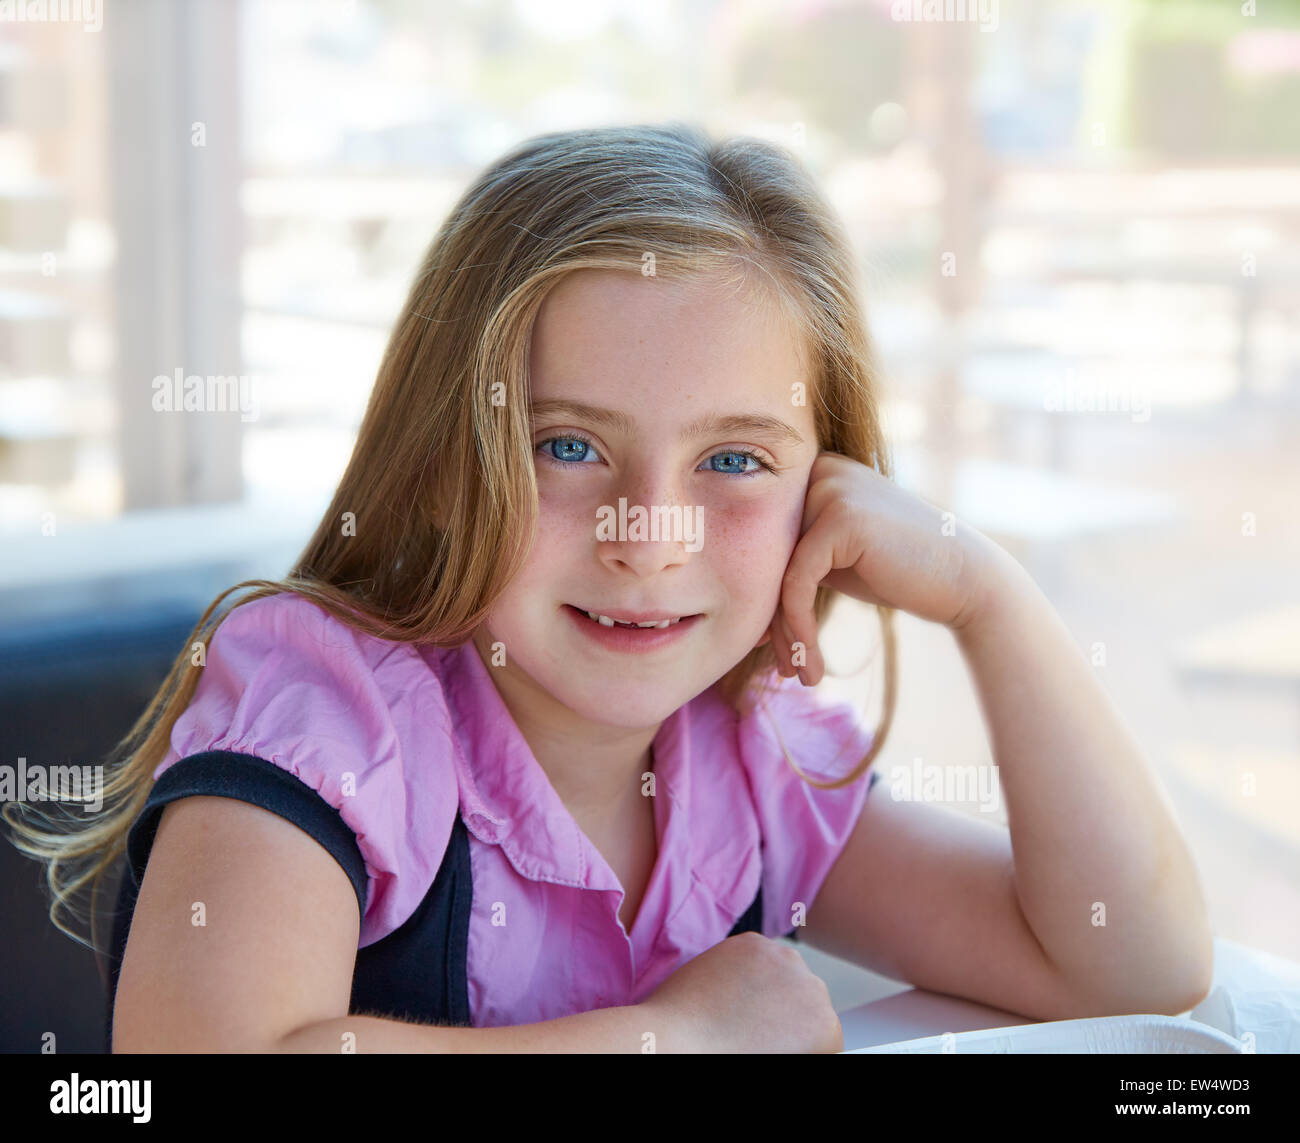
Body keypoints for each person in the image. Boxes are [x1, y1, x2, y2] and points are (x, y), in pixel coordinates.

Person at [2, 123, 1213, 1054]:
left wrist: (990, 601)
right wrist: (671, 1037)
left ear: (823, 495)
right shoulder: (332, 715)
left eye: (733, 460)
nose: (647, 534)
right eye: (567, 446)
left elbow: (1128, 966)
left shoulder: (754, 757)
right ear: (439, 467)